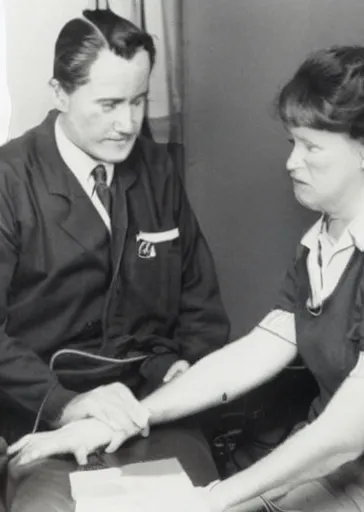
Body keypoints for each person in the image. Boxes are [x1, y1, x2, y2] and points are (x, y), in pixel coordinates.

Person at [9, 45, 364, 511]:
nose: (291, 162)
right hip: (345, 465)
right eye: (292, 142)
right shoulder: (328, 232)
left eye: (311, 147)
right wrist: (131, 418)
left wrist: (213, 499)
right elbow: (257, 351)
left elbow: (346, 434)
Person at [0, 7, 229, 511]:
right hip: (44, 411)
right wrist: (67, 404)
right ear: (59, 93)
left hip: (149, 409)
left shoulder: (155, 169)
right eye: (107, 104)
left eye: (139, 101)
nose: (127, 124)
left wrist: (186, 366)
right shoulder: (8, 181)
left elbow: (200, 300)